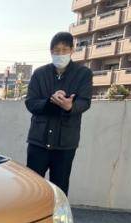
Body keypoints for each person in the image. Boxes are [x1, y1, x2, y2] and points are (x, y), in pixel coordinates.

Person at [25, 32, 93, 195]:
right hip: (39, 141)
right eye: (56, 50)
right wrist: (50, 102)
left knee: (60, 189)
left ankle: (57, 213)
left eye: (64, 50)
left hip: (65, 143)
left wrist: (70, 106)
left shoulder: (83, 74)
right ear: (51, 51)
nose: (60, 54)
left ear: (72, 50)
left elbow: (85, 102)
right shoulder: (39, 74)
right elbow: (30, 102)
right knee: (33, 188)